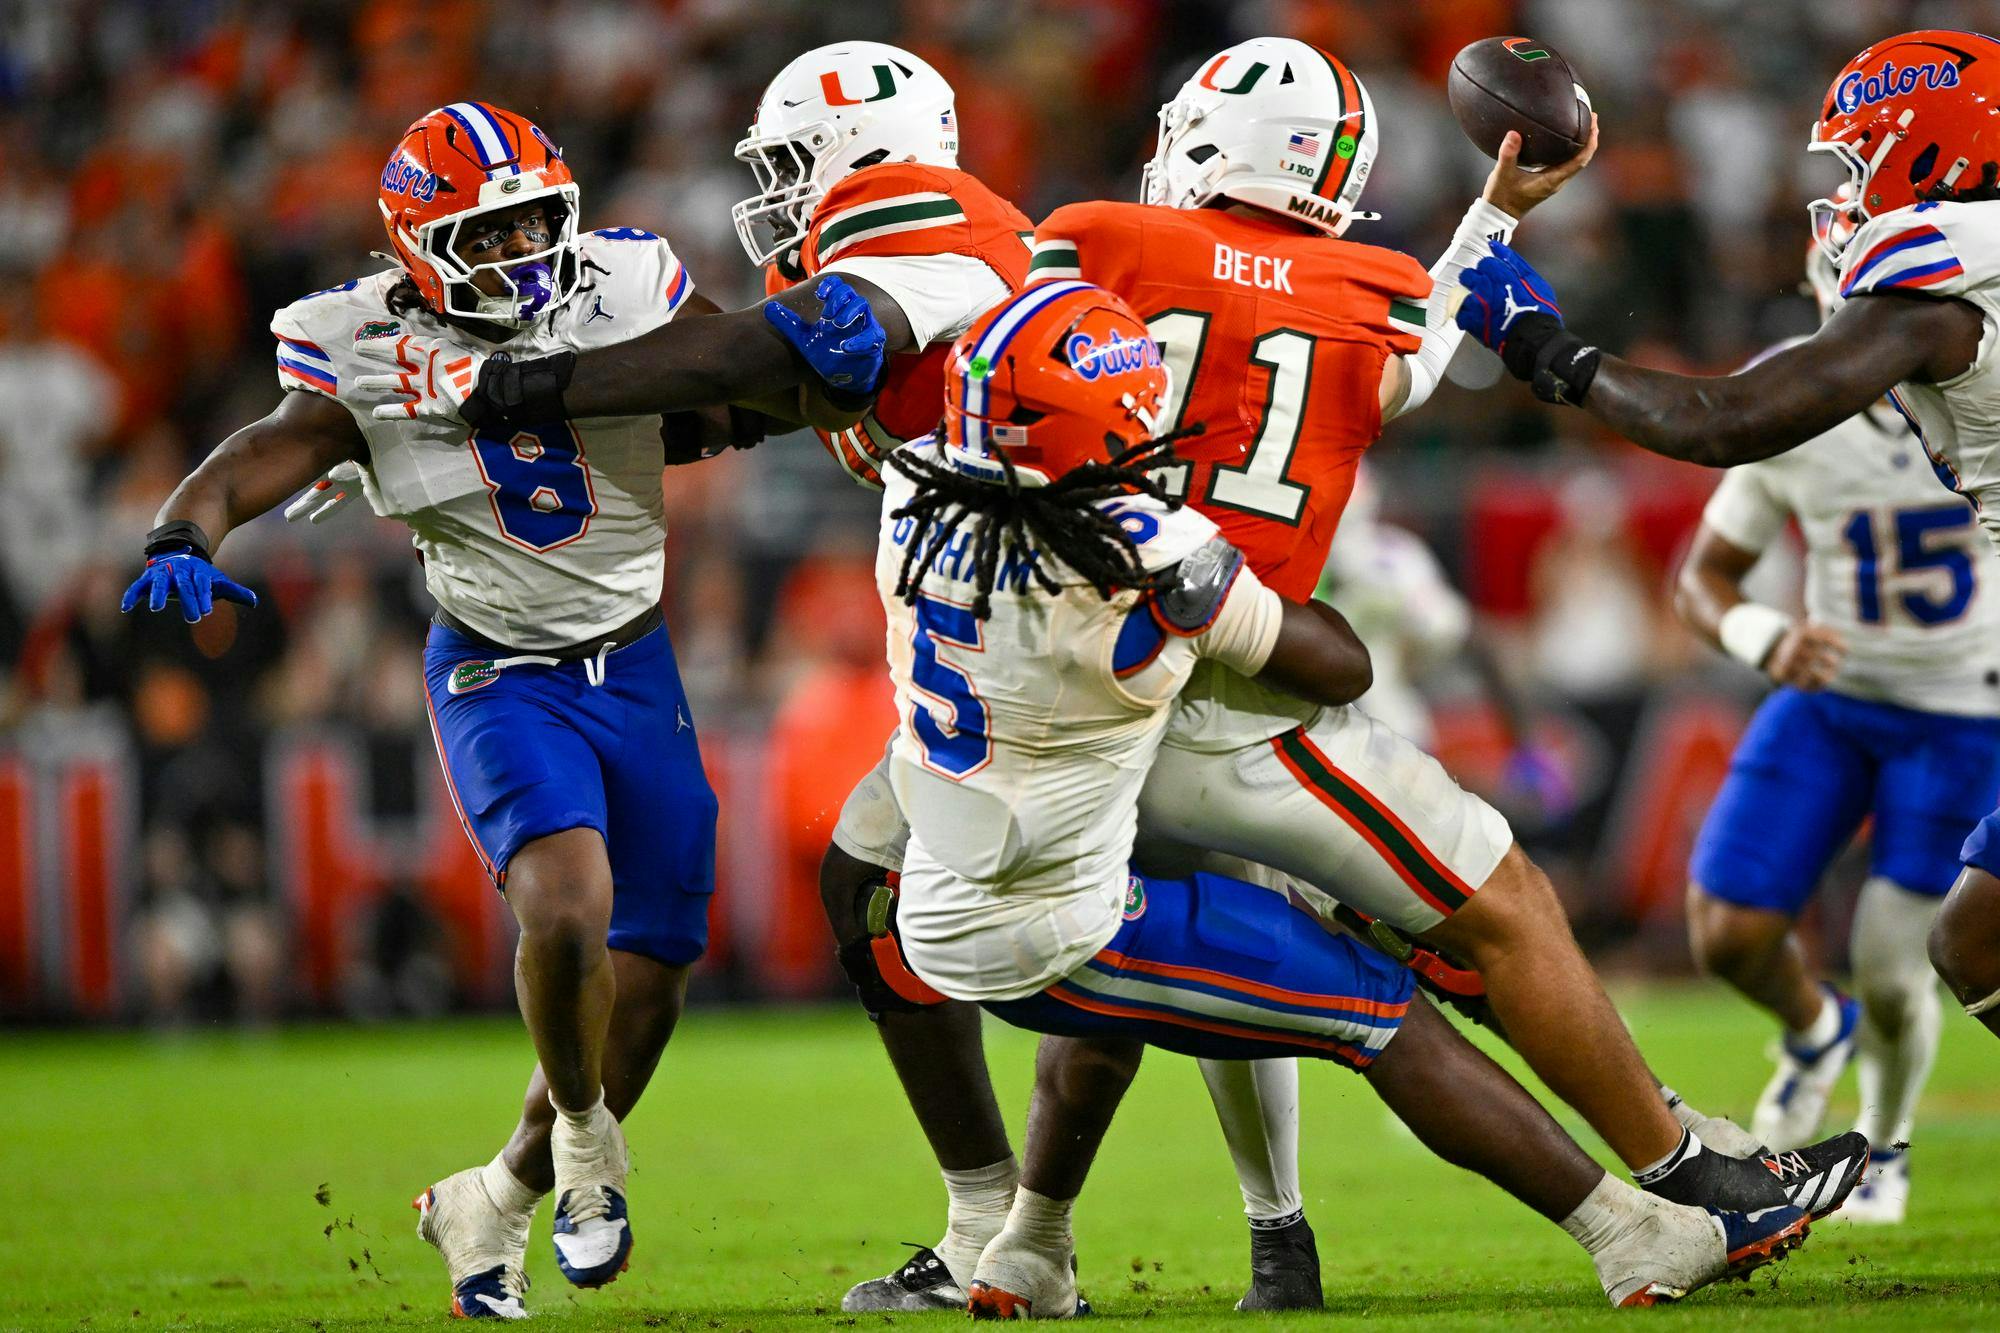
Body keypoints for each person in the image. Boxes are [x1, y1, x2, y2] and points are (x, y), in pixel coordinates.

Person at [363, 42, 1343, 1313]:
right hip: (1011, 644)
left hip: (1089, 639)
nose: (771, 190)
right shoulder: (878, 254)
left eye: (788, 160)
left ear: (864, 152)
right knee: (907, 896)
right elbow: (755, 391)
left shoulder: (921, 243)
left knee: (1117, 931)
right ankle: (1016, 1225)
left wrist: (520, 389)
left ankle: (1117, 1224)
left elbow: (761, 360)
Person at [876, 279, 1814, 1316]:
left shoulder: (911, 492)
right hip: (1057, 925)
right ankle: (1629, 1231)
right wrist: (1216, 578)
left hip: (955, 895)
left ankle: (1029, 1248)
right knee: (1381, 1011)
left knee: (1116, 1016)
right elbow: (1338, 664)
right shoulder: (1139, 550)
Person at [120, 101, 883, 1320]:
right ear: (418, 246)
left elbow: (723, 384)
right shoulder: (360, 341)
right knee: (567, 906)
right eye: (489, 229)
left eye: (538, 218)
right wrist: (185, 525)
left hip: (635, 660)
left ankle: (495, 1197)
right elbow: (271, 445)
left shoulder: (623, 281)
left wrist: (810, 366)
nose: (526, 249)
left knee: (656, 970)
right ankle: (583, 1147)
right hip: (496, 669)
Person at [1448, 27, 2000, 1051]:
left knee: (1975, 942)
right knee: (1975, 938)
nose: (1844, 191)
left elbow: (1724, 421)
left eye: (1859, 157)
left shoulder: (1949, 262)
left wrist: (1544, 348)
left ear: (1930, 148)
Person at [1673, 233, 2000, 1218]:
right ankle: (1813, 1027)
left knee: (1897, 965)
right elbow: (1702, 577)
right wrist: (1761, 633)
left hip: (1958, 714)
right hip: (1830, 699)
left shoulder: (1976, 392)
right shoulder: (1795, 413)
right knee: (1724, 932)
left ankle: (1883, 1148)